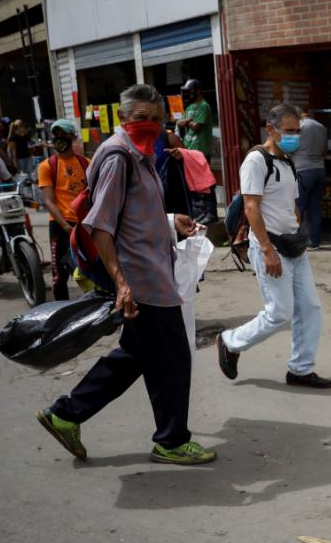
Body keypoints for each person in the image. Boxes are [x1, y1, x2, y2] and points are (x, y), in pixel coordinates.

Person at [34, 84, 217, 466]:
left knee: (134, 356)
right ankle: (171, 440)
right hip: (142, 281)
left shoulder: (140, 154)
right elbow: (101, 225)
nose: (149, 125)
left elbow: (132, 216)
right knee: (173, 359)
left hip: (149, 275)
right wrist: (122, 282)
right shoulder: (120, 157)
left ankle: (65, 414)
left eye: (155, 119)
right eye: (141, 119)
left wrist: (169, 221)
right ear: (123, 119)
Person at [215, 103, 331, 389]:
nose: (294, 136)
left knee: (310, 309)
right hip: (270, 247)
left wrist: (297, 228)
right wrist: (267, 250)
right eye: (288, 131)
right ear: (271, 129)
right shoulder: (256, 161)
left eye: (297, 131)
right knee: (279, 312)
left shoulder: (288, 161)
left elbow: (291, 203)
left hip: (293, 246)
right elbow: (251, 207)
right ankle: (230, 341)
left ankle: (300, 370)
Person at [37, 119, 90, 301]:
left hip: (83, 224)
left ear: (73, 137)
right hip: (60, 226)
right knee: (59, 275)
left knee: (88, 268)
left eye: (64, 135)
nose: (59, 139)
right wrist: (66, 227)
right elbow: (49, 201)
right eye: (56, 135)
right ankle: (61, 311)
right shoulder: (47, 166)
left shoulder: (86, 163)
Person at [177, 79, 217, 222]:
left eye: (190, 91)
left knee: (206, 182)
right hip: (189, 150)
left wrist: (187, 122)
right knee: (195, 183)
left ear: (198, 90)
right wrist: (188, 121)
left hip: (201, 150)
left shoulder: (204, 106)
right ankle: (201, 212)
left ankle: (211, 213)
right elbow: (180, 123)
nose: (188, 94)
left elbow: (197, 126)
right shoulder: (189, 108)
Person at [294, 109, 328, 249]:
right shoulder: (321, 127)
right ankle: (314, 242)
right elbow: (325, 150)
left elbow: (290, 148)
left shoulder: (299, 127)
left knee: (298, 207)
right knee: (315, 207)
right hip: (319, 169)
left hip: (302, 170)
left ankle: (294, 241)